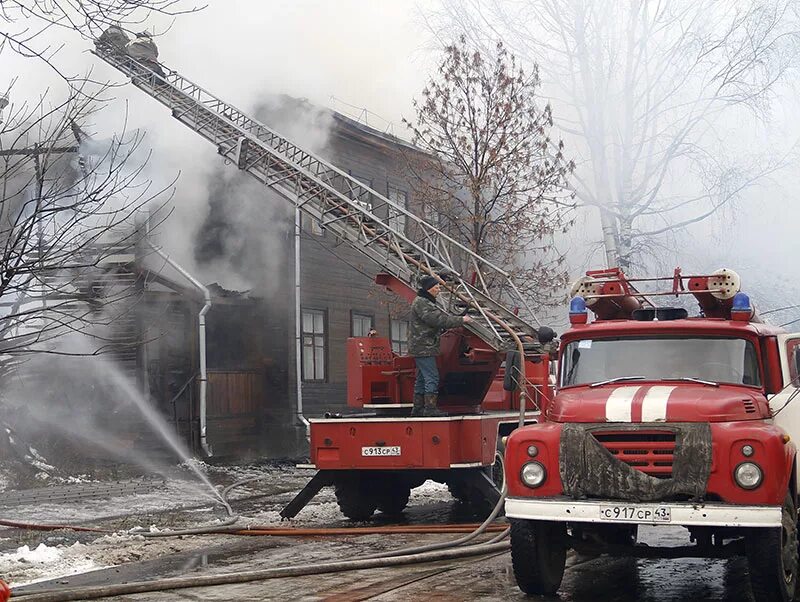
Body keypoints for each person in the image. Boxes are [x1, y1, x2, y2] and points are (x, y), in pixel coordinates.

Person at [409, 275, 473, 417]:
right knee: (432, 376)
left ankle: (418, 408)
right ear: (429, 288)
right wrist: (461, 320)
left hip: (422, 346)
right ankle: (430, 409)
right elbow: (437, 320)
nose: (438, 290)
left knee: (421, 378)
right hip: (424, 346)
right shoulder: (422, 303)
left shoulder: (425, 302)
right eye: (436, 287)